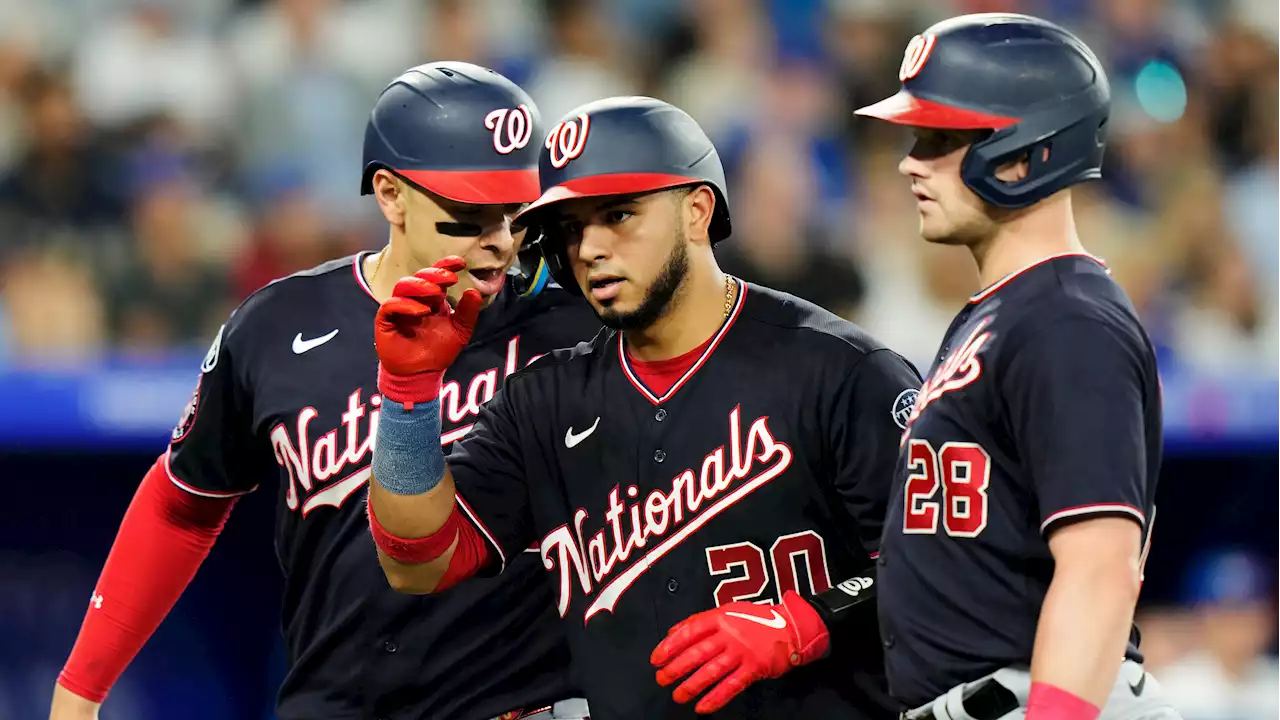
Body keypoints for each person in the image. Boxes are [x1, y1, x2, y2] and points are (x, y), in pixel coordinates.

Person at [49, 62, 599, 720]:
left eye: (516, 211)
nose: (501, 239)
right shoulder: (280, 325)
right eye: (471, 211)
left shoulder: (580, 330)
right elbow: (182, 503)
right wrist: (81, 687)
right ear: (391, 195)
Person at [362, 95, 922, 720]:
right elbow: (418, 560)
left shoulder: (841, 371)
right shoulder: (545, 399)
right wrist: (408, 398)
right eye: (572, 228)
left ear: (698, 211)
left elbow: (942, 567)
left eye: (619, 214)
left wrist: (810, 620)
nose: (592, 248)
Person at [851, 13, 1182, 720]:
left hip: (1041, 701)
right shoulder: (1005, 312)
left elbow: (1099, 567)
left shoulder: (1066, 319)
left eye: (940, 139)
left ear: (1028, 151)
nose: (911, 160)